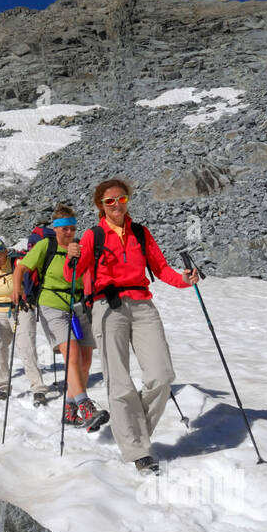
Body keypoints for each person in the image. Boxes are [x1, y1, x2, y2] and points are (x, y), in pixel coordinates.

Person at [70, 178, 199, 473]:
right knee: (120, 382)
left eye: (122, 199)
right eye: (110, 201)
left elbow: (161, 268)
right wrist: (72, 257)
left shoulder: (140, 232)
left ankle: (133, 432)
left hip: (142, 304)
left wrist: (184, 280)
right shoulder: (93, 236)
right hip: (107, 306)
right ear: (100, 206)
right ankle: (139, 450)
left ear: (128, 200)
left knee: (162, 375)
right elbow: (73, 275)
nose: (117, 205)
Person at [12, 205, 99, 426]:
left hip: (78, 304)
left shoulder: (78, 247)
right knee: (71, 354)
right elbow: (21, 267)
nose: (69, 233)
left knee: (86, 360)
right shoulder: (45, 245)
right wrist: (17, 290)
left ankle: (69, 408)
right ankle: (85, 405)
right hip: (51, 303)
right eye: (65, 229)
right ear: (56, 228)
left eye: (72, 228)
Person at [0, 237, 44, 401]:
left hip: (21, 309)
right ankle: (2, 388)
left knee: (26, 348)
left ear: (5, 252)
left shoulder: (17, 264)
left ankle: (38, 389)